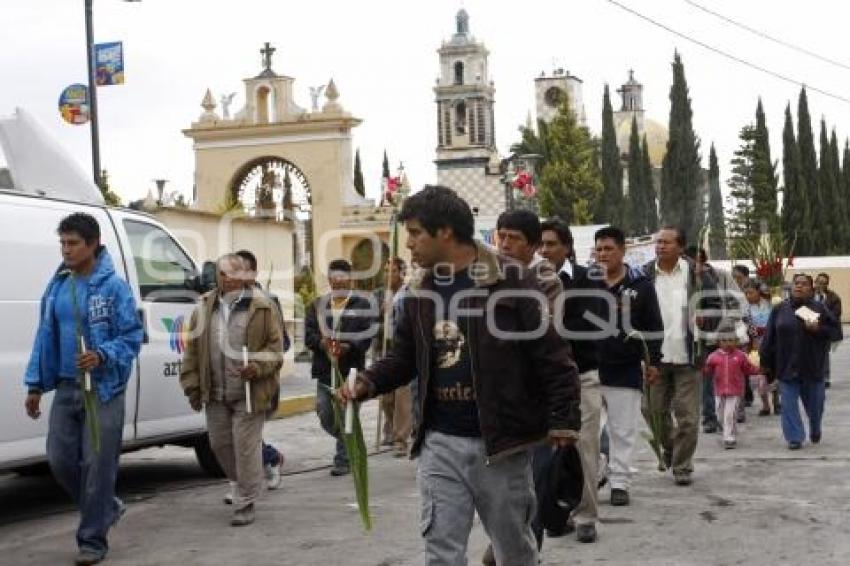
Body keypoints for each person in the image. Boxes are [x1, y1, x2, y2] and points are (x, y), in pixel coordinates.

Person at [339, 186, 581, 566]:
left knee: (514, 550)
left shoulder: (510, 279)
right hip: (440, 442)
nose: (409, 246)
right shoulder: (417, 291)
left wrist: (564, 418)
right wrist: (367, 382)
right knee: (441, 550)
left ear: (446, 232)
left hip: (502, 444)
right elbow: (403, 358)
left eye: (416, 233)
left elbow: (551, 354)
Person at [24, 213, 144, 565]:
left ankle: (92, 540)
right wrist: (34, 385)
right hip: (65, 387)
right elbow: (44, 337)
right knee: (60, 461)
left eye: (73, 243)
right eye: (63, 243)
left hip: (103, 391)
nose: (66, 250)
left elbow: (133, 336)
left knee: (97, 466)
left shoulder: (113, 287)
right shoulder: (59, 285)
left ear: (93, 244)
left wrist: (103, 355)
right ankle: (107, 506)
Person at [180, 254, 284, 526]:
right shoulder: (204, 306)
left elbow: (275, 351)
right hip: (215, 392)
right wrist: (191, 384)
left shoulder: (262, 307)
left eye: (230, 274)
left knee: (245, 447)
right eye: (221, 273)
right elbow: (192, 350)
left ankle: (245, 502)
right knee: (219, 445)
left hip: (249, 393)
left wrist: (256, 368)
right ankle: (246, 481)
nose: (225, 279)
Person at [539, 218, 603, 544]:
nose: (544, 250)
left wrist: (545, 331)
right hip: (540, 382)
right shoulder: (527, 280)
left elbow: (590, 323)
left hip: (581, 376)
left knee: (583, 448)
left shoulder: (586, 278)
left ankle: (585, 515)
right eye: (540, 244)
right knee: (543, 454)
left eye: (551, 243)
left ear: (566, 246)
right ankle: (553, 514)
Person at [642, 226, 719, 485]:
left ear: (680, 246)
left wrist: (705, 318)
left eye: (666, 242)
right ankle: (671, 446)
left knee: (688, 416)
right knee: (651, 411)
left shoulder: (698, 274)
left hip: (688, 357)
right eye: (658, 242)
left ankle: (683, 465)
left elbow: (716, 307)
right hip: (654, 359)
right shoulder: (643, 274)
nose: (660, 246)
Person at [594, 227, 663, 505]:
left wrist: (653, 361)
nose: (603, 254)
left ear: (623, 251)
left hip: (625, 367)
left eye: (608, 249)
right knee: (589, 431)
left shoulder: (641, 285)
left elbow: (654, 326)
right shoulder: (587, 282)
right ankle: (593, 475)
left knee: (623, 429)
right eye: (598, 249)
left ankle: (619, 482)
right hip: (589, 367)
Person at [304, 259, 374, 476]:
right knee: (325, 413)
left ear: (350, 279)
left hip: (351, 371)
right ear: (330, 280)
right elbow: (309, 336)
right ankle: (351, 443)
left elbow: (367, 336)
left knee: (347, 415)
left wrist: (348, 346)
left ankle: (343, 459)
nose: (339, 284)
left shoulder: (363, 305)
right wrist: (322, 343)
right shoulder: (317, 306)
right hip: (325, 370)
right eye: (335, 280)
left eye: (343, 280)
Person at [760, 274, 842, 449]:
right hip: (786, 366)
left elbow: (836, 332)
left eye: (804, 284)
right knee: (788, 406)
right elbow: (769, 338)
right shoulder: (779, 309)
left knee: (816, 407)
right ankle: (795, 438)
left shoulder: (820, 308)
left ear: (811, 289)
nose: (799, 286)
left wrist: (818, 329)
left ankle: (815, 427)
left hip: (812, 367)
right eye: (796, 283)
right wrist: (765, 363)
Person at [234, 250, 287, 493]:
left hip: (260, 377)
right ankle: (262, 464)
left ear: (254, 272)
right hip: (234, 377)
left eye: (243, 269)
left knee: (247, 433)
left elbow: (282, 342)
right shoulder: (226, 300)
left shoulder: (268, 301)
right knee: (237, 433)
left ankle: (266, 463)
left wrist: (260, 362)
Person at [376, 257, 414, 457]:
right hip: (386, 349)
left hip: (404, 349)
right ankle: (392, 428)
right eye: (385, 270)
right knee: (386, 398)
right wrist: (382, 313)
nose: (387, 275)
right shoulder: (381, 295)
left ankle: (401, 439)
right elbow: (373, 324)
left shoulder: (408, 294)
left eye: (391, 270)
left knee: (402, 397)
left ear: (401, 273)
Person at [702, 323, 761, 448]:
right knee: (719, 413)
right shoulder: (713, 357)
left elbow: (748, 369)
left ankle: (729, 436)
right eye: (724, 340)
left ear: (736, 341)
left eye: (730, 340)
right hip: (719, 390)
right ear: (719, 342)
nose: (727, 343)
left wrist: (759, 370)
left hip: (735, 391)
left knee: (730, 413)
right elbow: (707, 370)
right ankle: (727, 429)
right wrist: (703, 369)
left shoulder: (740, 356)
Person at [742, 281, 775, 416]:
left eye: (751, 293)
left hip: (772, 343)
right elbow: (745, 326)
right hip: (755, 345)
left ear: (758, 292)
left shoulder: (770, 305)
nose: (748, 296)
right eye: (746, 293)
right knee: (759, 375)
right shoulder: (746, 309)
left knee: (774, 373)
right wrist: (753, 332)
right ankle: (765, 404)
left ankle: (777, 401)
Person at [814, 273, 842, 388]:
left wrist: (823, 304)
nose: (820, 285)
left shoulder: (833, 297)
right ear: (815, 282)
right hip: (808, 328)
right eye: (819, 282)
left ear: (827, 285)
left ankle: (825, 377)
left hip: (824, 330)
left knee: (823, 353)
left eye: (824, 283)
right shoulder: (808, 294)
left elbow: (835, 316)